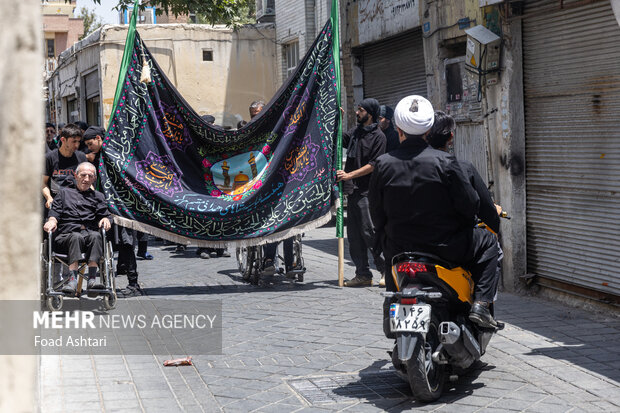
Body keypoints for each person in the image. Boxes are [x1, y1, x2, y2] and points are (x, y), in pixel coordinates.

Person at [369, 95, 501, 328]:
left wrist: (382, 238)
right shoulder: (446, 162)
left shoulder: (382, 164)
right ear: (428, 130)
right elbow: (470, 206)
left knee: (390, 256)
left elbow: (376, 211)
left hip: (398, 247)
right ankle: (481, 304)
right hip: (445, 248)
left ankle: (389, 312)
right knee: (489, 241)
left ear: (398, 129)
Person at [337, 98, 386, 287]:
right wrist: (336, 120)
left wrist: (349, 174)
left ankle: (385, 271)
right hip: (353, 191)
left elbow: (374, 164)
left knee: (369, 232)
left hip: (367, 192)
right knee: (355, 236)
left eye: (360, 110)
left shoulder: (378, 137)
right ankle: (363, 274)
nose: (357, 113)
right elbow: (341, 140)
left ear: (370, 114)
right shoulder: (356, 133)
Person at [42, 162, 111, 295]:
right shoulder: (64, 193)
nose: (86, 179)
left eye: (90, 176)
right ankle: (72, 279)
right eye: (83, 175)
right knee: (76, 236)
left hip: (88, 238)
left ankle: (92, 279)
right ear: (76, 175)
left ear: (94, 178)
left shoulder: (98, 196)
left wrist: (106, 219)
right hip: (66, 236)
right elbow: (55, 212)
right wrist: (51, 221)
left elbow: (104, 214)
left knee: (96, 236)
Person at [42, 124, 88, 210]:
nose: (77, 145)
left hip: (76, 204)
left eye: (78, 141)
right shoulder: (49, 158)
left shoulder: (81, 157)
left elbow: (88, 181)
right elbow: (43, 183)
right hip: (56, 204)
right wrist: (49, 198)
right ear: (63, 140)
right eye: (73, 141)